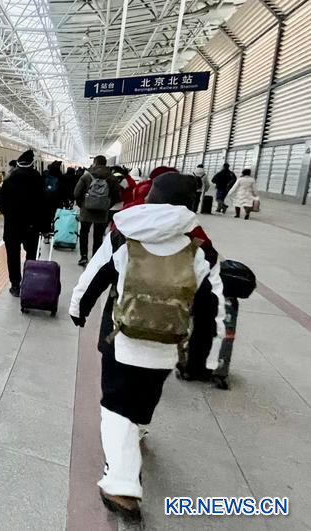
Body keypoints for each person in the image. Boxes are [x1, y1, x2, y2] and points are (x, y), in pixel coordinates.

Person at [69, 172, 225, 521]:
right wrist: (203, 361)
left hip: (121, 338)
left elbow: (94, 276)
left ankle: (121, 486)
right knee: (144, 397)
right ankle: (137, 431)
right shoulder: (200, 248)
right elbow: (212, 310)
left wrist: (78, 310)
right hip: (166, 346)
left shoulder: (123, 233)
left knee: (114, 405)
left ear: (150, 196)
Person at [0, 149, 48, 296]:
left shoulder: (8, 181)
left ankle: (15, 286)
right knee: (31, 255)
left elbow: (1, 204)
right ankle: (29, 282)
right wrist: (44, 226)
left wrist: (10, 216)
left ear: (18, 164)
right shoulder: (38, 180)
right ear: (32, 164)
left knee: (13, 256)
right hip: (32, 227)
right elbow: (44, 205)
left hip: (12, 227)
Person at [74, 155, 120, 266]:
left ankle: (83, 256)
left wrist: (82, 205)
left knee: (84, 233)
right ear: (105, 164)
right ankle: (95, 258)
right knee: (98, 236)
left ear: (94, 163)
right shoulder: (111, 178)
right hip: (102, 212)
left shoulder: (86, 176)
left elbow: (76, 193)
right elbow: (116, 195)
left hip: (86, 210)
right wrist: (107, 205)